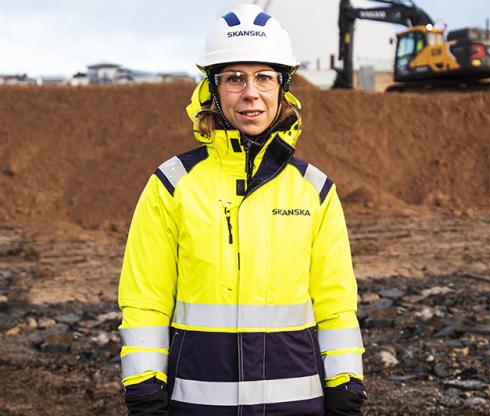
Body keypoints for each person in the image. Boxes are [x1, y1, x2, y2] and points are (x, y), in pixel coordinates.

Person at [118, 4, 365, 415]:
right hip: (196, 406)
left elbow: (336, 303)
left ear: (283, 88)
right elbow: (146, 299)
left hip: (296, 406)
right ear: (213, 89)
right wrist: (144, 390)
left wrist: (346, 387)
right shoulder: (172, 184)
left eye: (264, 78)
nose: (251, 93)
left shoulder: (314, 191)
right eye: (235, 78)